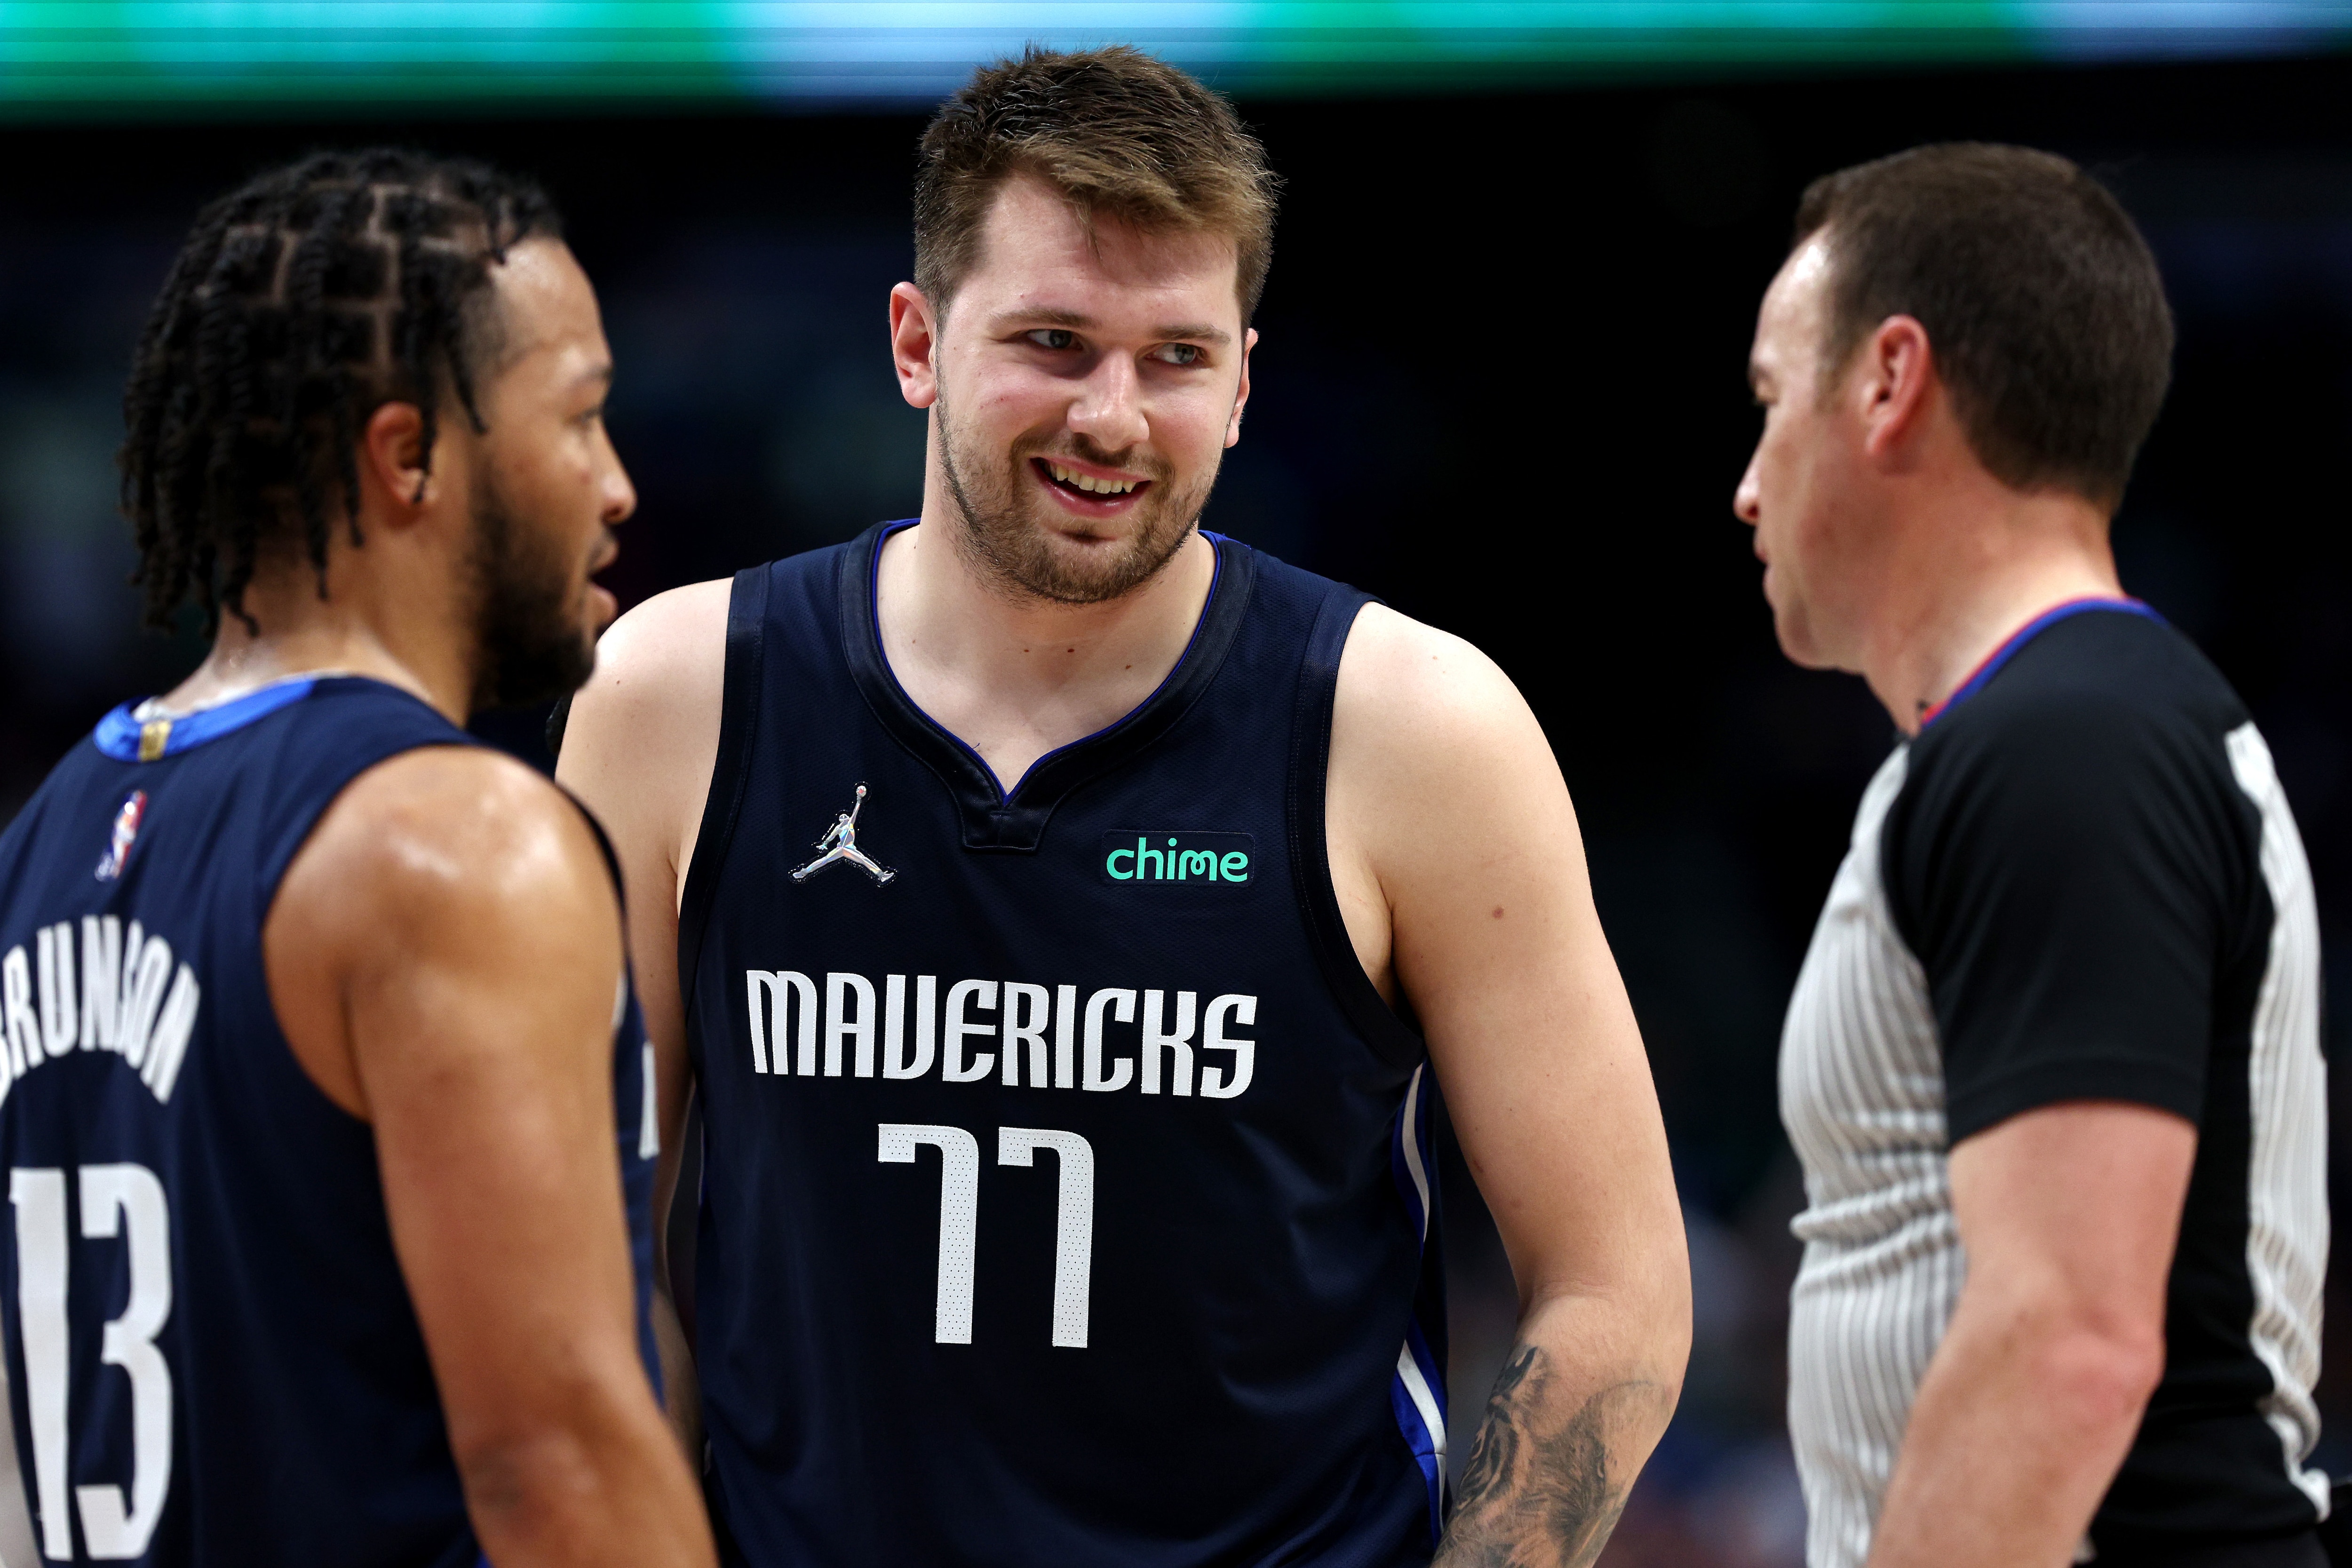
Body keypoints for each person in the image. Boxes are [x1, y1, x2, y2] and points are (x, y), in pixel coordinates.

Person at [558, 43, 1689, 1568]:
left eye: (1174, 357)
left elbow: (1616, 1290)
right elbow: (597, 1264)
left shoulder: (1415, 728)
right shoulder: (673, 696)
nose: (1114, 416)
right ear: (917, 342)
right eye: (1053, 340)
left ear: (1241, 379)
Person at [0, 150, 715, 1568]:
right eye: (579, 421)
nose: (618, 485)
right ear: (410, 458)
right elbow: (555, 1462)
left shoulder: (46, 835)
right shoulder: (454, 843)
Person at [1738, 143, 2328, 1568]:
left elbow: (2069, 1344)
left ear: (1889, 383)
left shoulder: (2066, 746)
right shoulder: (2058, 732)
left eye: (1768, 405)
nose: (1749, 489)